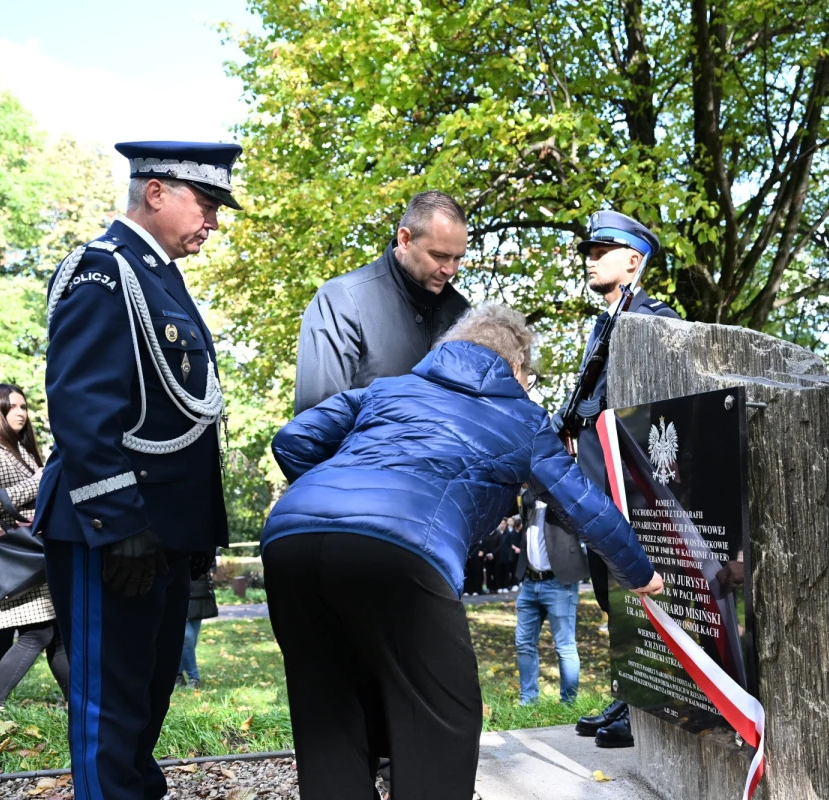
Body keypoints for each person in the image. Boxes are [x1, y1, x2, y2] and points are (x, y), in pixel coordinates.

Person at [262, 303, 663, 800]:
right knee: (442, 713)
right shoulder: (524, 419)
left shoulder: (386, 389)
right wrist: (642, 573)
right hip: (403, 550)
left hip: (290, 541)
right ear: (516, 367)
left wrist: (340, 505)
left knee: (328, 706)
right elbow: (588, 508)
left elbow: (294, 438)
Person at [34, 141, 235, 799]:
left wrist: (195, 533)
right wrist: (118, 522)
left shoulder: (155, 275)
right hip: (110, 528)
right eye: (204, 203)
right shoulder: (103, 272)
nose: (212, 222)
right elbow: (82, 406)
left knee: (147, 697)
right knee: (109, 704)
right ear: (156, 193)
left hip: (162, 531)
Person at [562, 210, 680, 748]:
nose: (589, 258)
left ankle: (651, 697)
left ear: (634, 260)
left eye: (600, 250)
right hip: (593, 474)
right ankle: (630, 687)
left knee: (636, 581)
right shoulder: (602, 323)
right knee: (609, 586)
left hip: (629, 476)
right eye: (588, 250)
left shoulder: (656, 319)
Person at [294, 190, 471, 413]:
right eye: (439, 256)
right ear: (405, 239)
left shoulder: (461, 314)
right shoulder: (342, 301)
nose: (450, 269)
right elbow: (317, 422)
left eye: (458, 258)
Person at [0, 384, 69, 709]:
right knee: (38, 634)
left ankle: (79, 701)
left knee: (58, 635)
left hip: (36, 553)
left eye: (23, 406)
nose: (21, 412)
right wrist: (36, 483)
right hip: (16, 553)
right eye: (12, 407)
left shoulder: (19, 449)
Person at [514, 487, 589, 705]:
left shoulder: (563, 498)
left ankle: (568, 704)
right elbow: (522, 497)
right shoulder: (529, 503)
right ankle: (528, 700)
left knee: (564, 645)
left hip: (558, 583)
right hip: (529, 583)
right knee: (524, 643)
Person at [177, 558, 218, 689]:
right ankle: (193, 677)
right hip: (178, 582)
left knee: (191, 639)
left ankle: (177, 675)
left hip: (200, 587)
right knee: (186, 636)